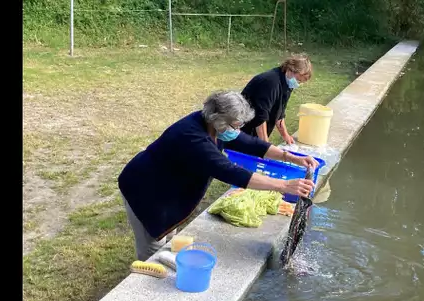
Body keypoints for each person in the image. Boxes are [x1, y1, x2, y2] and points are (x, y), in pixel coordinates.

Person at [118, 90, 319, 261]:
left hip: (166, 185)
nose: (238, 131)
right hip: (145, 190)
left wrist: (291, 157)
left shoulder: (211, 123)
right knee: (153, 246)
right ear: (219, 119)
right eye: (236, 126)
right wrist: (284, 186)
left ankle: (165, 256)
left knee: (168, 236)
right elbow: (231, 172)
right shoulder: (193, 138)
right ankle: (147, 284)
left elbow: (250, 143)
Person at [240, 53, 312, 144]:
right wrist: (265, 146)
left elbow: (280, 113)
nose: (297, 83)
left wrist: (285, 136)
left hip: (255, 128)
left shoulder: (287, 83)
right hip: (244, 128)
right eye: (298, 80)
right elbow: (260, 117)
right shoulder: (271, 82)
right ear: (290, 70)